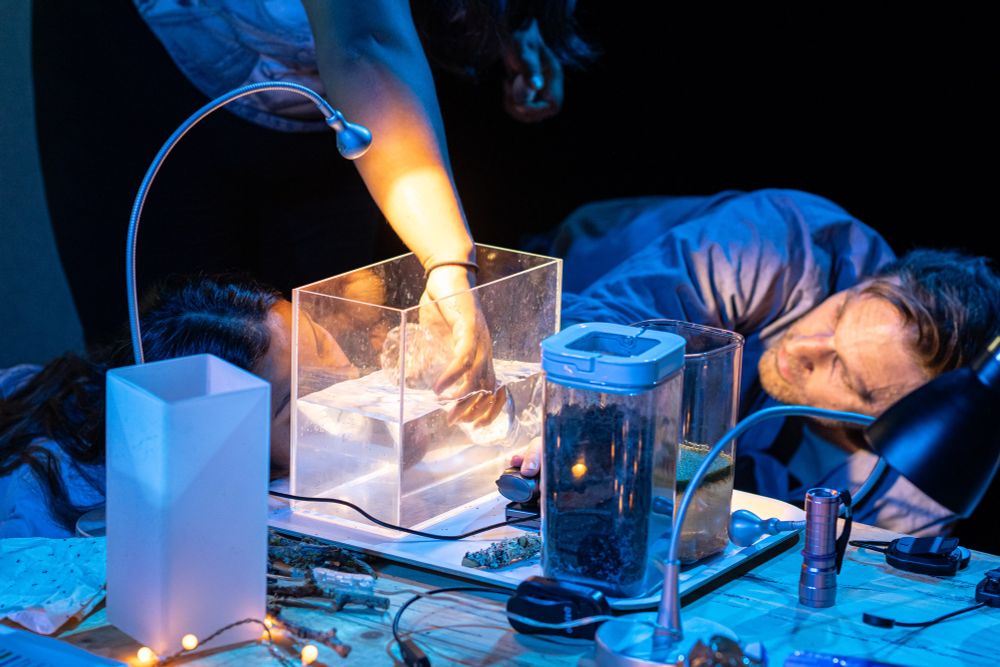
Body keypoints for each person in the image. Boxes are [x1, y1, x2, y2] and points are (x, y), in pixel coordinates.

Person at [33, 1, 591, 422]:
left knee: (325, 355)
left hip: (332, 106)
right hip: (152, 70)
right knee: (185, 385)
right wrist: (448, 261)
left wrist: (510, 23)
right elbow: (363, 40)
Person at [513, 189, 1000, 534]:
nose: (802, 348)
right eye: (839, 312)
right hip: (541, 287)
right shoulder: (783, 240)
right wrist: (590, 417)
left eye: (846, 373)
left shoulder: (922, 467)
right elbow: (605, 323)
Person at [0, 275, 346, 538]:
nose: (342, 380)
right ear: (226, 443)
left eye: (319, 339)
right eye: (299, 399)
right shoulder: (68, 513)